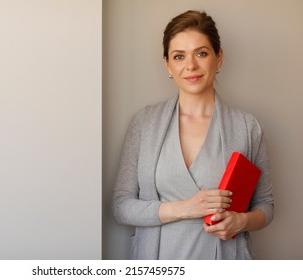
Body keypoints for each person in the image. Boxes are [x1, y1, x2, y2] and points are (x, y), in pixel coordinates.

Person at [112, 10, 274, 260]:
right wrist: (184, 208)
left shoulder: (247, 127)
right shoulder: (144, 124)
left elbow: (265, 205)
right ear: (167, 64)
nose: (191, 66)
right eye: (179, 56)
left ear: (218, 59)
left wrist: (240, 222)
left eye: (201, 53)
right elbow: (122, 207)